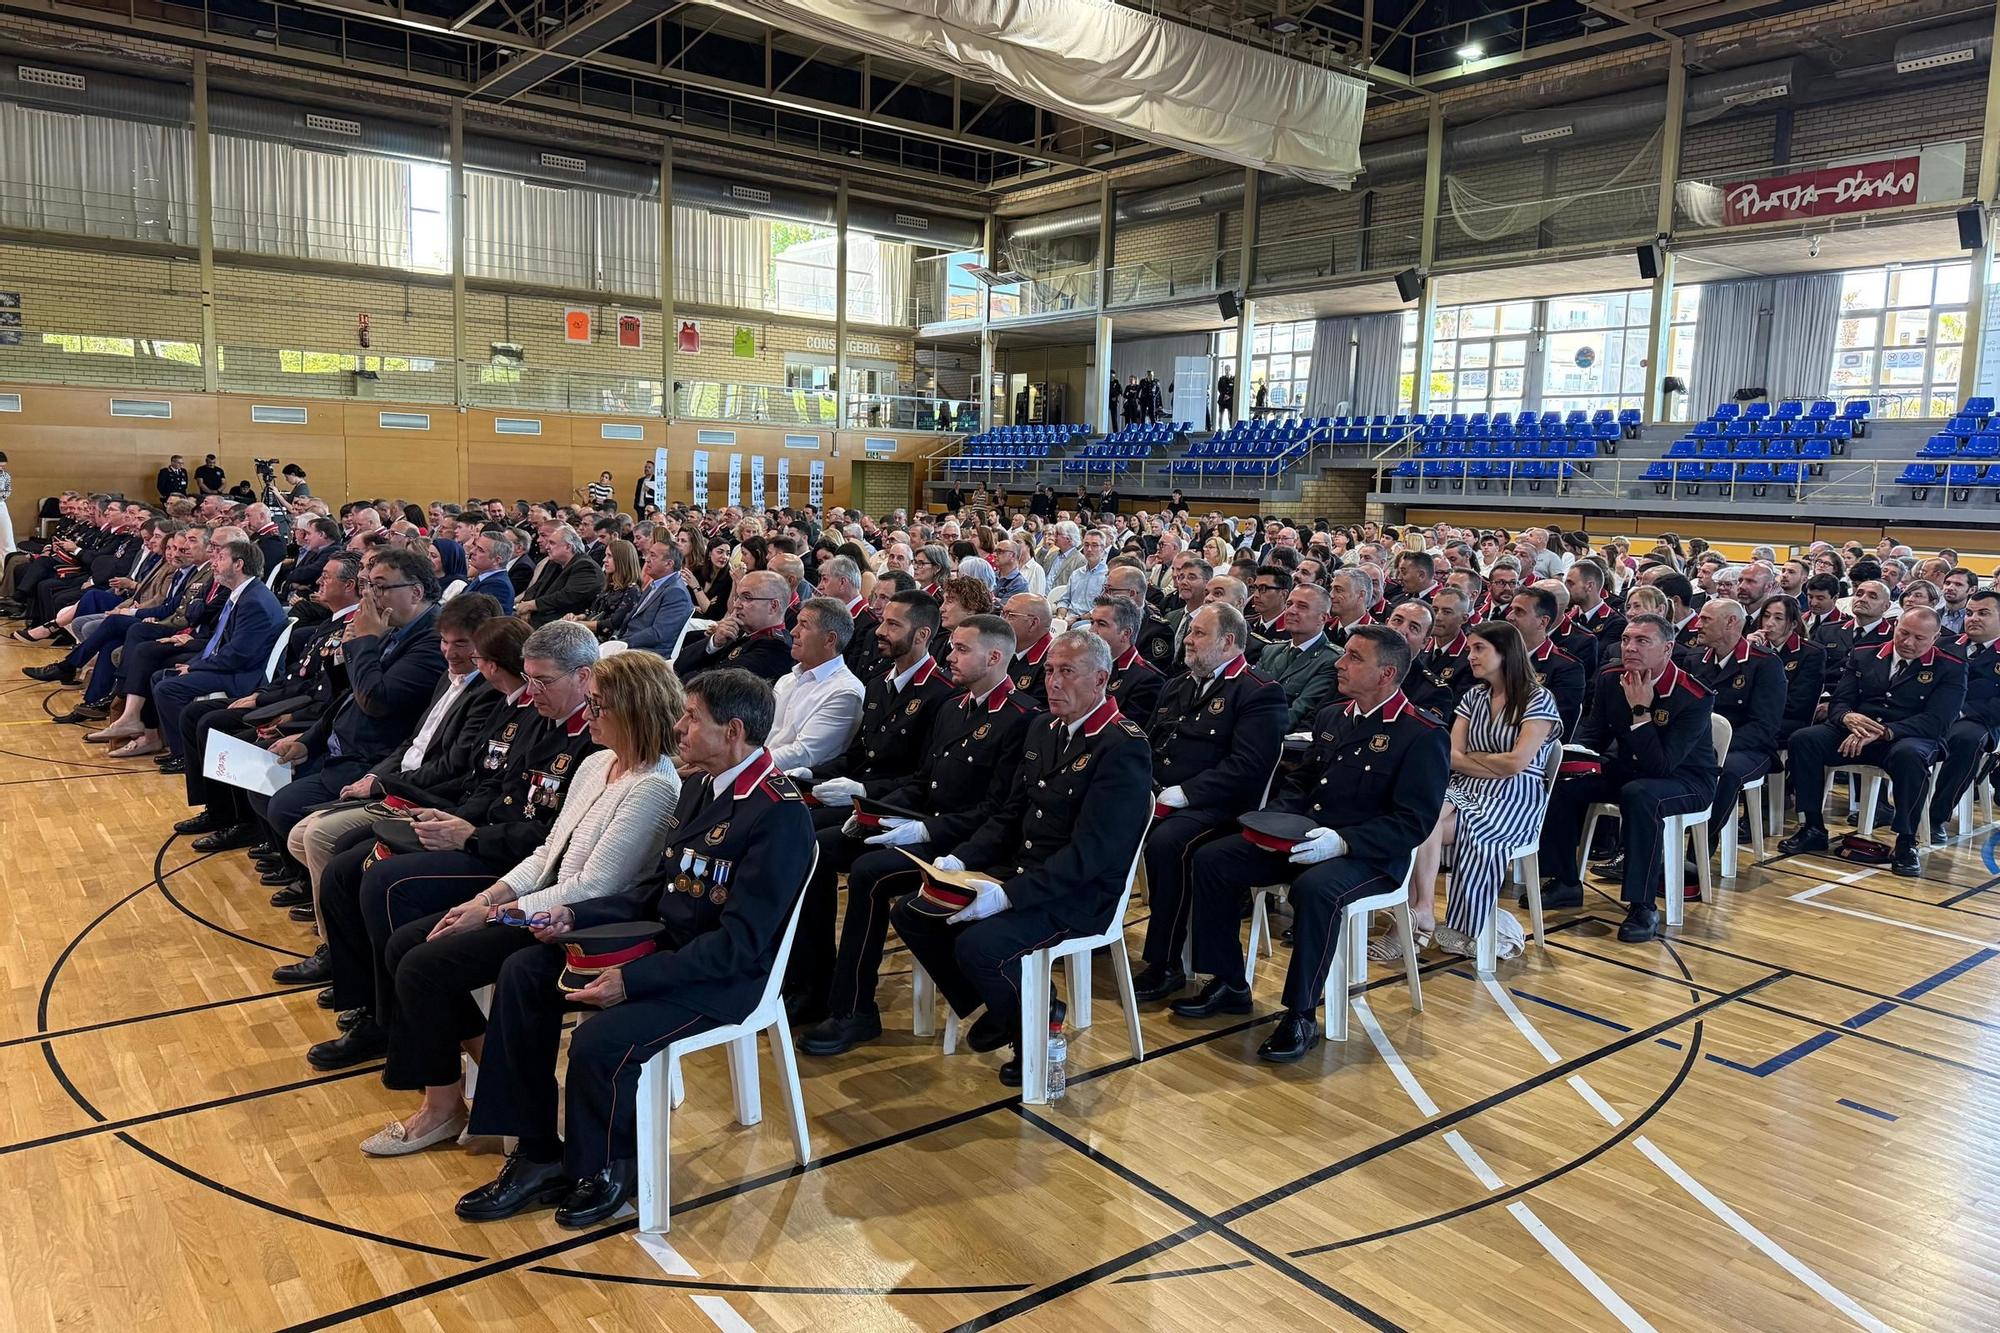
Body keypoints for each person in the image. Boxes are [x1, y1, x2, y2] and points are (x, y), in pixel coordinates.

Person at [453, 668, 812, 1227]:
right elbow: (656, 890)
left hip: (718, 979)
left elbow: (740, 944)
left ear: (733, 731)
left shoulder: (778, 813)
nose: (679, 726)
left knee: (601, 1041)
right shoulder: (701, 784)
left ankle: (610, 1168)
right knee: (525, 971)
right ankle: (536, 1152)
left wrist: (633, 981)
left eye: (693, 717)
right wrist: (574, 914)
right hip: (664, 947)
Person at [358, 650, 685, 1157]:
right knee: (406, 944)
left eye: (599, 707)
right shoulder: (599, 762)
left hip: (581, 927)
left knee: (423, 964)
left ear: (635, 711)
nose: (589, 716)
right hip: (540, 905)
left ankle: (446, 1106)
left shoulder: (654, 787)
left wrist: (493, 914)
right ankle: (475, 1089)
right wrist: (486, 898)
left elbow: (592, 887)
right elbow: (546, 852)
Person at [307, 621, 603, 1068]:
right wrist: (458, 822)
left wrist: (470, 834)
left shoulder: (592, 739)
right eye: (529, 678)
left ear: (583, 677)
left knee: (385, 885)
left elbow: (553, 837)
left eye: (542, 680)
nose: (532, 690)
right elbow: (498, 788)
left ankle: (395, 1026)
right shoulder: (540, 716)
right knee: (345, 869)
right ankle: (371, 1001)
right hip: (491, 837)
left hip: (518, 864)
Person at [1172, 626, 1448, 1062]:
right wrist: (1277, 824)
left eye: (1355, 658)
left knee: (1315, 890)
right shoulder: (1334, 715)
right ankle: (1227, 980)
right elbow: (1302, 781)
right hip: (1305, 840)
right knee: (1213, 858)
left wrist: (1343, 842)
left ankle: (1301, 1012)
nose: (1340, 663)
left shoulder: (1421, 733)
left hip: (1369, 856)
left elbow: (1413, 822)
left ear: (1386, 673)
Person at [889, 631, 1152, 1086]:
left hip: (1078, 893)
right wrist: (960, 858)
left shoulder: (1122, 746)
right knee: (913, 913)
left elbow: (1091, 855)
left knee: (979, 945)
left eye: (1067, 672)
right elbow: (1011, 812)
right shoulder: (1043, 728)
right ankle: (1015, 1011)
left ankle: (1030, 1026)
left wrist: (1008, 896)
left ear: (1101, 680)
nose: (1052, 683)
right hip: (1022, 871)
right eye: (1049, 671)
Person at [800, 612, 1041, 1054]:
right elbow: (922, 781)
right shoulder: (955, 707)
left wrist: (925, 829)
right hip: (929, 825)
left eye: (962, 649)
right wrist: (873, 809)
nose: (950, 654)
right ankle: (815, 981)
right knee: (814, 846)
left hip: (967, 842)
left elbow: (999, 811)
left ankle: (854, 1009)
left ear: (993, 657)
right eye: (952, 645)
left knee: (870, 875)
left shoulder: (1022, 718)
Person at [783, 590, 954, 1024]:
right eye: (882, 621)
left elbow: (924, 779)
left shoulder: (939, 695)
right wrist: (817, 773)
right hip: (864, 796)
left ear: (922, 634)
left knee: (815, 849)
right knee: (787, 827)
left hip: (899, 810)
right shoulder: (881, 681)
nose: (879, 630)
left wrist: (859, 789)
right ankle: (804, 976)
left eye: (893, 624)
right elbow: (861, 753)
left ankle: (844, 998)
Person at [1132, 603, 1287, 1003]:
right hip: (1164, 795)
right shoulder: (1180, 684)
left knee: (1170, 844)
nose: (1187, 639)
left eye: (1199, 633)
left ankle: (1165, 962)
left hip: (1220, 806)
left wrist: (1187, 794)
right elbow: (1151, 743)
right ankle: (1090, 931)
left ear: (1229, 642)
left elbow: (1249, 766)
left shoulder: (1257, 692)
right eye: (1190, 632)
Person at [1535, 615, 1719, 941]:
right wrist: (1574, 760)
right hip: (1629, 769)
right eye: (1626, 639)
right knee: (1563, 784)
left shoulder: (1692, 696)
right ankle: (1564, 881)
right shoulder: (1610, 678)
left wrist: (1640, 711)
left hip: (1687, 780)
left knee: (1640, 795)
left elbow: (1661, 766)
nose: (1630, 648)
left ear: (1667, 648)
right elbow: (1593, 736)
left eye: (1642, 641)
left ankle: (1642, 904)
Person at [1383, 622, 1559, 962]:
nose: (1471, 656)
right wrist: (1482, 761)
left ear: (1505, 653)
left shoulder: (1538, 698)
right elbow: (1450, 755)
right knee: (1419, 819)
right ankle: (1419, 909)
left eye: (1479, 649)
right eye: (1469, 649)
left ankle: (1420, 914)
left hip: (1514, 797)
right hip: (1465, 787)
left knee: (1430, 824)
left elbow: (1517, 764)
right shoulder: (1473, 696)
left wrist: (1473, 760)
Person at [1779, 607, 1967, 876]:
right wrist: (1847, 717)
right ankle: (1812, 826)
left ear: (1935, 638)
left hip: (1906, 737)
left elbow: (1937, 722)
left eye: (1919, 638)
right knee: (1804, 740)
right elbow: (1840, 700)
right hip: (1856, 732)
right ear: (1894, 626)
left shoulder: (1951, 667)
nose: (1909, 642)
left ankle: (1905, 841)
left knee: (1910, 757)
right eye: (1903, 633)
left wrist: (1883, 731)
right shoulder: (1864, 654)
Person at [1670, 598, 1784, 887]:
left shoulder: (1765, 664)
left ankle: (1696, 858)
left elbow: (1764, 727)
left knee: (1725, 773)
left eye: (1706, 619)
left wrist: (1715, 749)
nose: (1697, 624)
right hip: (1701, 744)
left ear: (1731, 622)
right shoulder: (1695, 659)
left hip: (1747, 748)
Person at [1929, 587, 2000, 840]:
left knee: (1966, 740)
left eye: (1983, 613)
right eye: (1969, 613)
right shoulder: (1942, 645)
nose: (1973, 619)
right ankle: (1882, 804)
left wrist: (1960, 712)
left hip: (1980, 721)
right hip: (1934, 713)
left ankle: (1937, 816)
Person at [768, 598, 866, 775]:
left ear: (829, 639)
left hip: (794, 784)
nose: (793, 631)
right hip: (760, 768)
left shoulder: (845, 692)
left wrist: (745, 766)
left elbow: (803, 754)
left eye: (803, 625)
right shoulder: (787, 680)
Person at [673, 568, 792, 682]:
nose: (737, 605)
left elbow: (715, 684)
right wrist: (714, 642)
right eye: (737, 597)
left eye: (747, 598)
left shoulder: (775, 648)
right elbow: (679, 664)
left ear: (773, 606)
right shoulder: (738, 629)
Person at [1258, 580, 1339, 730]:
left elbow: (1299, 711)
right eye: (1289, 604)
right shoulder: (1270, 650)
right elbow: (1249, 695)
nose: (1291, 611)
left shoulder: (1331, 660)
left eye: (1302, 606)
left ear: (1323, 618)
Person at [1088, 594, 1164, 727]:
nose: (1091, 631)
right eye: (1092, 622)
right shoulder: (1086, 665)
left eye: (1101, 624)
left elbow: (1124, 735)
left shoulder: (1147, 680)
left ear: (1126, 633)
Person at [517, 524, 605, 626]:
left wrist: (533, 605)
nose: (547, 547)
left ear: (568, 546)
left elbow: (567, 596)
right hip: (541, 616)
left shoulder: (585, 566)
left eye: (552, 543)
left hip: (563, 621)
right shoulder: (555, 562)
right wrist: (526, 606)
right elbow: (536, 586)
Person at [619, 538, 694, 656]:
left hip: (649, 653)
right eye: (648, 554)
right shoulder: (657, 582)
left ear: (669, 563)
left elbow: (658, 634)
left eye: (653, 556)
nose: (647, 559)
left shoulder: (676, 593)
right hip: (630, 644)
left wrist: (622, 643)